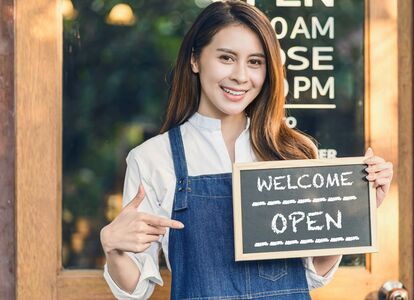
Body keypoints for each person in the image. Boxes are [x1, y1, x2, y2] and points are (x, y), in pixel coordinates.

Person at [100, 1, 394, 299]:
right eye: (227, 58)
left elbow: (312, 274)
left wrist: (356, 210)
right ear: (195, 60)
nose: (241, 76)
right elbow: (136, 289)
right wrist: (114, 246)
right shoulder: (153, 158)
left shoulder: (293, 153)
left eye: (255, 62)